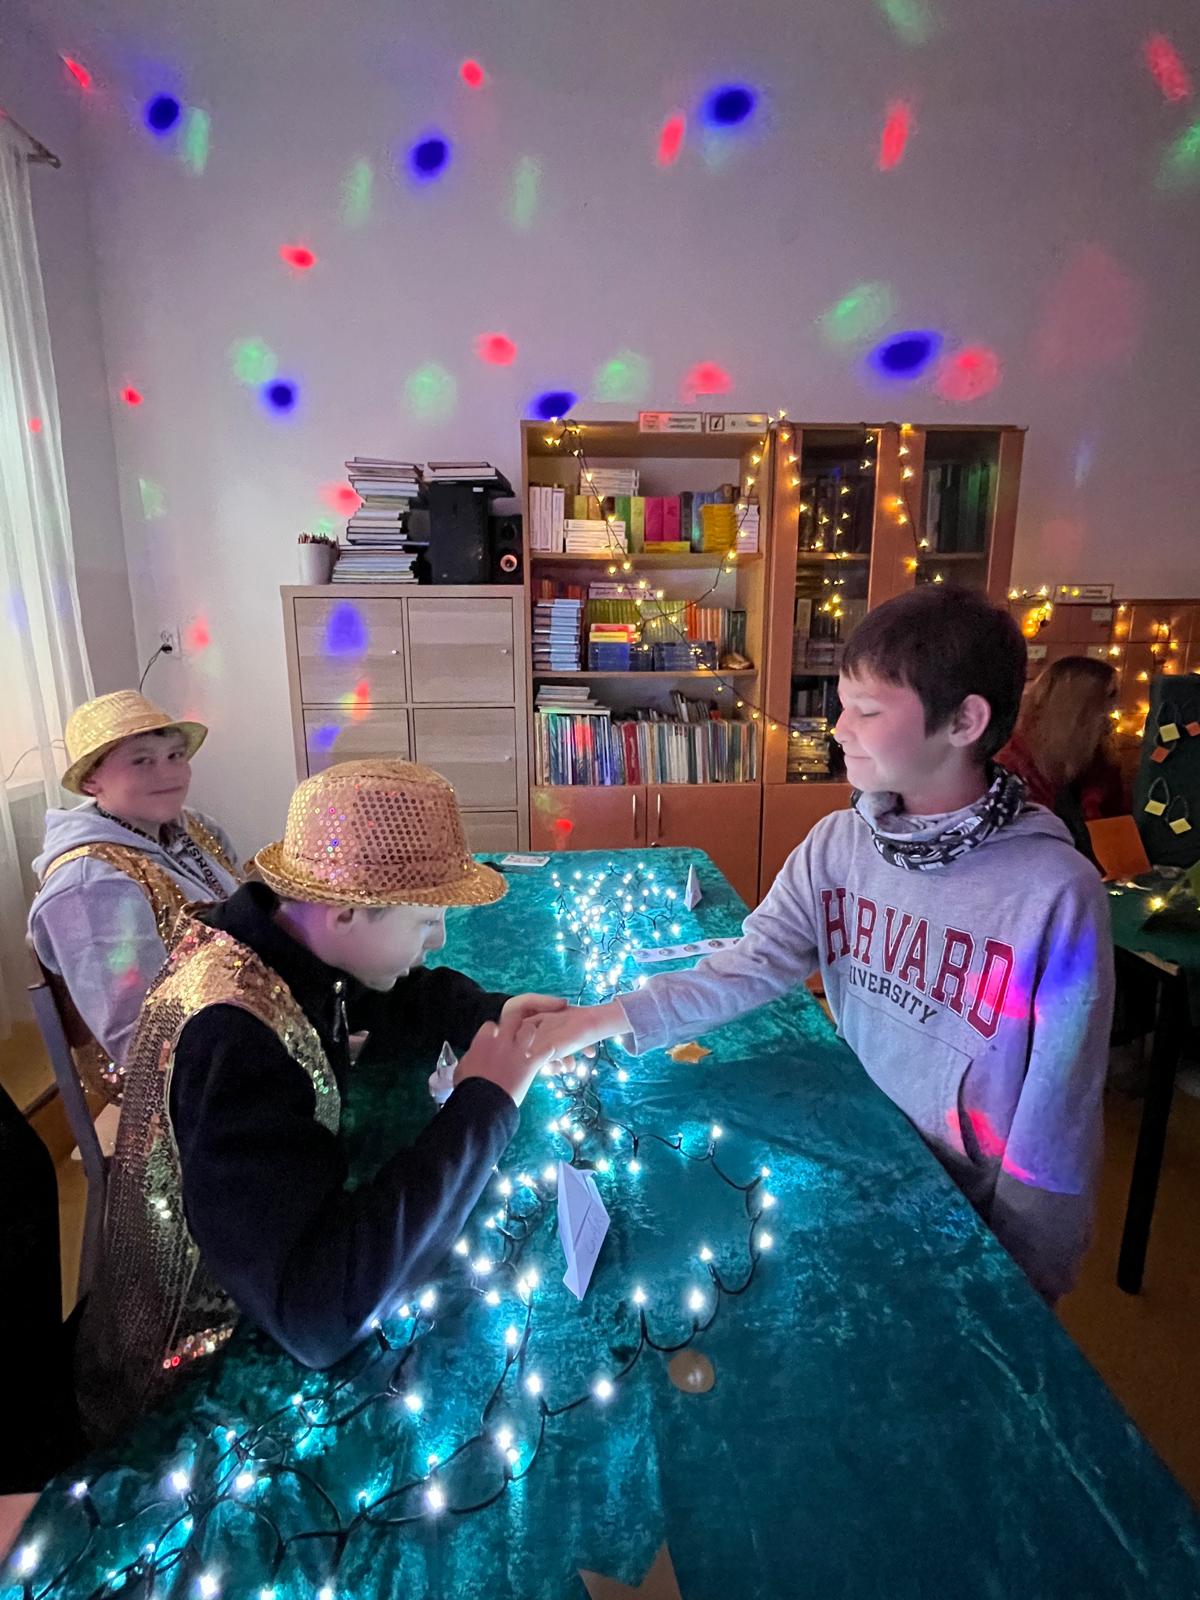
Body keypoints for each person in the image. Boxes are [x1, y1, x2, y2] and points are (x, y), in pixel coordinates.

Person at [519, 587, 1116, 1304]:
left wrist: (1027, 1290)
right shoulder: (838, 844)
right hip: (861, 1153)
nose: (838, 728)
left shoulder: (1056, 893)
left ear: (964, 721)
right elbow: (750, 963)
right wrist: (601, 1018)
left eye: (867, 710)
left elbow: (1057, 1122)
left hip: (966, 1211)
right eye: (842, 704)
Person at [74, 759, 564, 1444]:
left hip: (254, 1298)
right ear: (344, 912)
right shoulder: (233, 1040)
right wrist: (483, 1105)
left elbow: (376, 991)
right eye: (426, 920)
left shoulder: (280, 939)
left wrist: (488, 1011)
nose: (438, 940)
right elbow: (316, 1315)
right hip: (187, 1388)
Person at [29, 690, 240, 1104]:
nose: (169, 773)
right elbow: (141, 1038)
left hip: (236, 1018)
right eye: (142, 761)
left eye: (175, 756)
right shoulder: (90, 885)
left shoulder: (194, 828)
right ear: (92, 781)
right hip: (177, 1084)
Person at [996, 656, 1123, 863]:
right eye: (1105, 704)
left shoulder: (1099, 759)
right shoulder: (1013, 764)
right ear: (1078, 710)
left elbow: (1116, 832)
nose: (1112, 715)